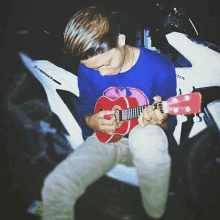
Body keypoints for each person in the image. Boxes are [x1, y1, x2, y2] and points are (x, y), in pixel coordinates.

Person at [41, 6, 177, 220]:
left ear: (121, 40)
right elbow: (85, 108)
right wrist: (92, 121)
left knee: (148, 139)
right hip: (108, 139)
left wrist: (160, 120)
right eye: (95, 69)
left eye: (106, 63)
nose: (103, 73)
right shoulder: (87, 67)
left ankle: (155, 213)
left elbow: (170, 125)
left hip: (145, 135)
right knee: (55, 185)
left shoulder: (159, 66)